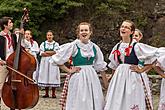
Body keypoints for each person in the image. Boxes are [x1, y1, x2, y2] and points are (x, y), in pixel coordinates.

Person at [50, 22, 108, 110]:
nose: (84, 32)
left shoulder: (94, 47)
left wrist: (106, 84)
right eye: (81, 30)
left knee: (94, 99)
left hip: (92, 77)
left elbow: (100, 66)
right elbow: (57, 60)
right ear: (78, 33)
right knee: (79, 100)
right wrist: (69, 71)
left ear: (90, 32)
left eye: (86, 30)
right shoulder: (74, 45)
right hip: (78, 77)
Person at [104, 20, 159, 110]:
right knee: (117, 100)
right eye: (122, 26)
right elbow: (114, 65)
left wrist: (141, 70)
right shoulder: (117, 46)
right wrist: (112, 78)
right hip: (119, 78)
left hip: (132, 77)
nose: (123, 28)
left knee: (131, 99)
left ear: (132, 32)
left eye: (126, 27)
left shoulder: (137, 46)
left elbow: (154, 57)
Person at [37, 30, 60, 98]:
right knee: (45, 75)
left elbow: (56, 52)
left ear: (53, 36)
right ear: (46, 36)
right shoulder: (43, 44)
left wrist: (47, 52)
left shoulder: (56, 44)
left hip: (53, 62)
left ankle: (53, 93)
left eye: (50, 35)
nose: (49, 36)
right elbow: (41, 53)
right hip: (45, 62)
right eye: (48, 35)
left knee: (53, 75)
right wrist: (51, 52)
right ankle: (46, 93)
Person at [0, 17, 17, 104]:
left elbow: (20, 48)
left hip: (14, 64)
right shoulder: (0, 37)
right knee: (0, 85)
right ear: (5, 25)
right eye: (10, 22)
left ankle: (14, 103)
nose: (12, 24)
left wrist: (21, 35)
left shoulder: (14, 36)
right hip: (3, 64)